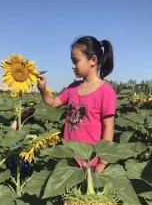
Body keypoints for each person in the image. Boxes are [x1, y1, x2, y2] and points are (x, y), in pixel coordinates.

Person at [37, 35, 116, 175]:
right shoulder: (73, 88)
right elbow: (54, 102)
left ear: (93, 60)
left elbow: (108, 127)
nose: (73, 66)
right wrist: (43, 89)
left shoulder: (105, 91)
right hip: (68, 158)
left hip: (90, 161)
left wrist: (103, 161)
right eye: (72, 61)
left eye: (76, 61)